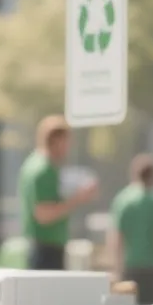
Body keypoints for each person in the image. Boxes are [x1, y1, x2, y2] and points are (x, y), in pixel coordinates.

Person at [17, 115, 98, 271]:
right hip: (46, 250)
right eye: (67, 141)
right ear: (55, 140)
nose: (69, 146)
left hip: (42, 247)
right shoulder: (44, 170)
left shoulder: (34, 164)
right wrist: (78, 199)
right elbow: (43, 214)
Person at [109, 154, 153, 304]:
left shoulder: (123, 200)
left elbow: (117, 237)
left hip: (130, 267)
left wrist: (116, 268)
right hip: (151, 268)